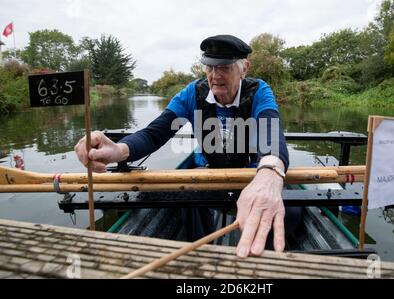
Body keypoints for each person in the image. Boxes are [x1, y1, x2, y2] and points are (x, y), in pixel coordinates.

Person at [75, 34, 296, 258]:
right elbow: (155, 134)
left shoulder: (259, 90)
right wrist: (118, 151)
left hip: (250, 175)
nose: (215, 76)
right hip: (208, 175)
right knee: (186, 197)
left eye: (224, 67)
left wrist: (270, 173)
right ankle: (202, 255)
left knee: (291, 211)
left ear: (244, 68)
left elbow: (271, 134)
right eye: (209, 67)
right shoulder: (192, 93)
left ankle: (264, 260)